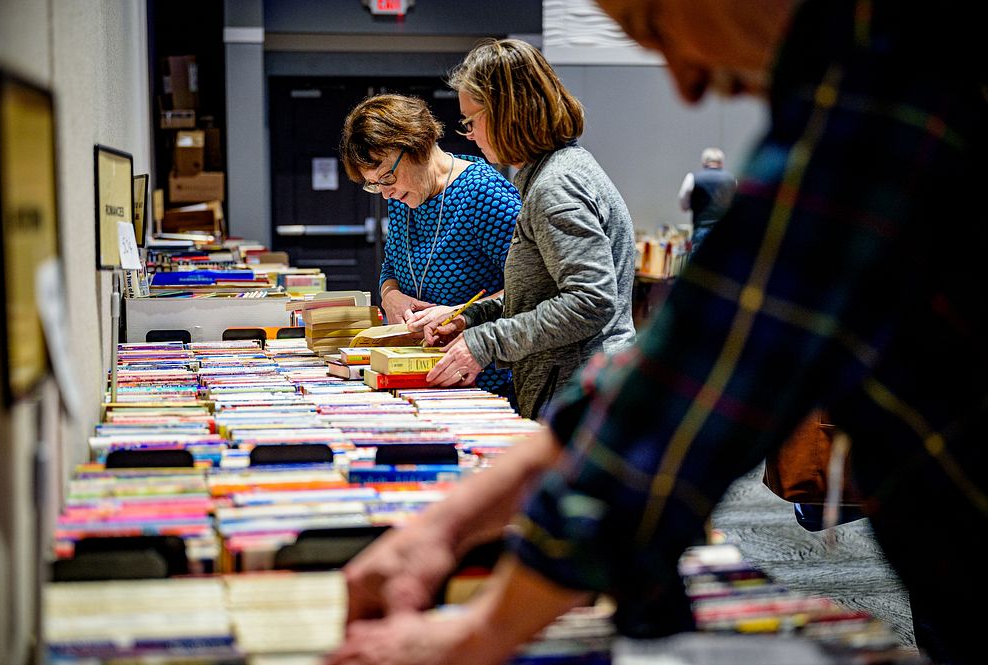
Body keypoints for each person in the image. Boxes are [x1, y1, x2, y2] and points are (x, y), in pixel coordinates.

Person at [329, 2, 987, 664]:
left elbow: (700, 363)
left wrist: (484, 625)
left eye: (656, 27)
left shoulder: (894, 78)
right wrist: (447, 526)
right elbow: (679, 358)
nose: (684, 83)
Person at [402, 39, 636, 420]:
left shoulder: (556, 186)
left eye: (471, 121)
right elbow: (540, 294)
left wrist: (484, 343)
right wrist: (470, 318)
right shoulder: (557, 171)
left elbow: (591, 301)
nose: (470, 135)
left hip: (578, 398)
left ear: (507, 112)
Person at [340, 93, 520, 397]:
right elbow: (391, 266)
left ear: (417, 146)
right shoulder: (405, 197)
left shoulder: (483, 193)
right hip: (419, 377)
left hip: (481, 381)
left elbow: (529, 287)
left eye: (386, 178)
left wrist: (460, 313)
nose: (385, 194)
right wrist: (391, 294)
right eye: (375, 184)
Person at [677, 147, 736, 253]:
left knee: (700, 267)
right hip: (726, 231)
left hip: (702, 229)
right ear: (721, 162)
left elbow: (683, 204)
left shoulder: (693, 178)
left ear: (704, 162)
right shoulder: (732, 179)